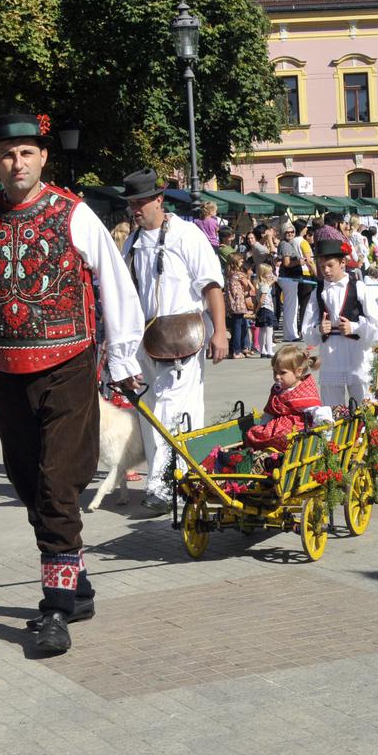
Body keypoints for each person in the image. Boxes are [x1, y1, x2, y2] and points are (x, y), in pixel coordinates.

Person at [0, 113, 144, 654]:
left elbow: (115, 285)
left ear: (42, 158)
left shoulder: (74, 214)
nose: (16, 162)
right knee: (27, 482)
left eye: (26, 152)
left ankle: (54, 608)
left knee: (55, 484)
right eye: (7, 154)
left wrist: (122, 358)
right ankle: (78, 582)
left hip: (68, 365)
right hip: (5, 370)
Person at [120, 167, 228, 514]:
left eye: (141, 202)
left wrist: (221, 331)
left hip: (181, 336)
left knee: (170, 407)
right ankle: (178, 476)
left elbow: (211, 285)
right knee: (151, 411)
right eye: (131, 203)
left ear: (159, 199)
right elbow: (124, 294)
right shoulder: (132, 242)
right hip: (145, 339)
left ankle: (165, 485)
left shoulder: (187, 235)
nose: (136, 209)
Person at [300, 237, 378, 407]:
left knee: (363, 404)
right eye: (322, 267)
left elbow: (377, 323)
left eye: (330, 265)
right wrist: (319, 329)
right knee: (332, 407)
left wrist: (355, 327)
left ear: (342, 262)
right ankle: (335, 433)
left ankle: (363, 433)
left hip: (356, 354)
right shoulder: (318, 292)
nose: (326, 271)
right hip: (331, 356)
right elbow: (306, 329)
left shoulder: (359, 287)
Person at [243, 344, 322, 451]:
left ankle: (278, 454)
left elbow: (316, 411)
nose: (277, 376)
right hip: (276, 426)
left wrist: (322, 430)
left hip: (296, 427)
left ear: (298, 371)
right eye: (275, 371)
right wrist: (263, 427)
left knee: (284, 436)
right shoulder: (277, 389)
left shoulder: (304, 390)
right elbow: (269, 412)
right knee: (253, 432)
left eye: (282, 373)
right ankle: (265, 453)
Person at [276, 223, 304, 341]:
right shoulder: (286, 245)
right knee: (290, 307)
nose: (290, 234)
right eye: (288, 232)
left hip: (290, 278)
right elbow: (287, 263)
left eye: (292, 232)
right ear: (283, 233)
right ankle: (290, 335)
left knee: (292, 306)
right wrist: (299, 262)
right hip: (289, 278)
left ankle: (291, 334)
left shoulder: (286, 244)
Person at [254, 263, 278, 358]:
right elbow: (262, 298)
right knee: (269, 331)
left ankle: (262, 350)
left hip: (264, 310)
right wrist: (258, 308)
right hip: (266, 309)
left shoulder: (261, 284)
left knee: (262, 331)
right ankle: (269, 350)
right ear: (263, 274)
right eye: (269, 273)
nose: (271, 275)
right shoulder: (264, 285)